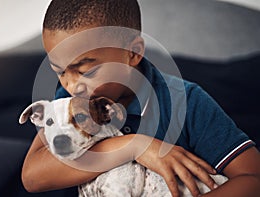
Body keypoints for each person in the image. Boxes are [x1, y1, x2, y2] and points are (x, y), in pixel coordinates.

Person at [21, 0, 260, 196]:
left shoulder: (187, 102)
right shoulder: (72, 98)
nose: (72, 85)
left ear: (133, 53)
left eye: (87, 71)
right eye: (60, 72)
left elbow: (253, 178)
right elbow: (32, 177)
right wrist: (134, 146)